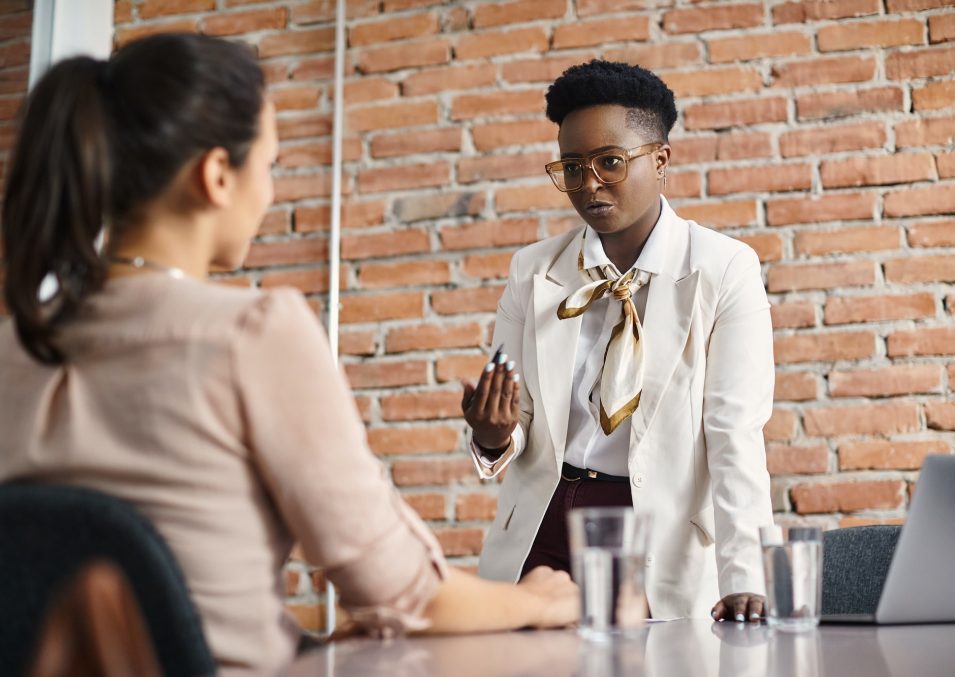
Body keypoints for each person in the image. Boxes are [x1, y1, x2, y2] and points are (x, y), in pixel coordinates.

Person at [0, 33, 577, 676]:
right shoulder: (253, 333)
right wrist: (533, 599)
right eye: (269, 166)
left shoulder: (10, 345)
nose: (270, 193)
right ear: (217, 176)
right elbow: (403, 593)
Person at [462, 60, 775, 623]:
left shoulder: (723, 269)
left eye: (610, 162)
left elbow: (734, 432)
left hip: (657, 533)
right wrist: (491, 435)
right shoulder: (533, 271)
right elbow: (518, 417)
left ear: (660, 160)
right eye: (572, 167)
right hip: (545, 523)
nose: (589, 184)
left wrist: (746, 571)